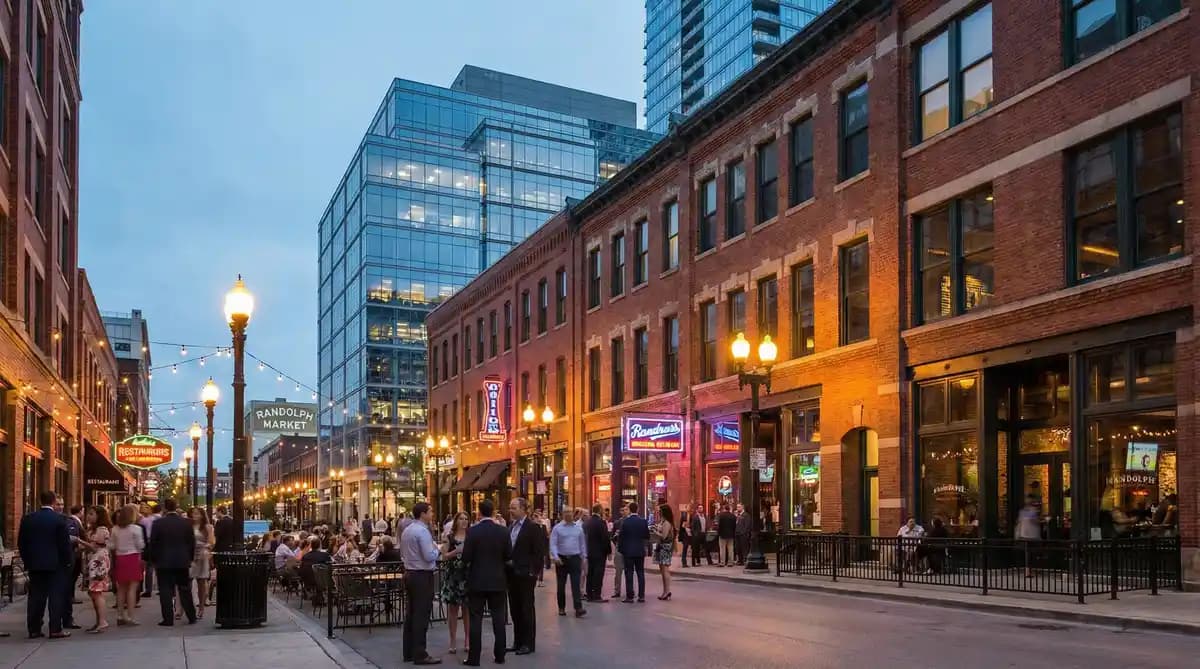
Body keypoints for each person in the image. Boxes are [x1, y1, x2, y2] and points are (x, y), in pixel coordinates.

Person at [462, 499, 510, 667]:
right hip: (498, 580)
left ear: (479, 512)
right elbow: (508, 556)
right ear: (493, 510)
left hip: (477, 581)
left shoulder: (473, 532)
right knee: (498, 617)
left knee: (476, 619)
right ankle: (500, 655)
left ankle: (474, 658)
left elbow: (466, 557)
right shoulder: (503, 532)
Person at [18, 491, 72, 639]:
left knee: (36, 597)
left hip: (35, 564)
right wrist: (67, 562)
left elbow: (21, 543)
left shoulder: (28, 519)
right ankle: (55, 628)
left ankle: (34, 628)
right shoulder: (59, 520)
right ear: (54, 501)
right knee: (56, 597)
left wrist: (27, 560)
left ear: (39, 500)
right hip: (56, 565)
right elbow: (64, 545)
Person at [399, 502, 445, 665]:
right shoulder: (422, 532)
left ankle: (409, 651)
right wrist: (438, 549)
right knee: (421, 615)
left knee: (411, 614)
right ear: (423, 513)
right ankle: (420, 653)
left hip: (410, 573)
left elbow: (403, 553)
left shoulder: (407, 530)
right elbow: (429, 555)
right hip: (422, 575)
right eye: (431, 511)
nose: (432, 514)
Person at [148, 498, 197, 626]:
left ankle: (168, 619)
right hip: (182, 560)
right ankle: (191, 616)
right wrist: (190, 558)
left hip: (163, 561)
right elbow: (191, 543)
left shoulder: (158, 523)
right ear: (177, 507)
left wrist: (153, 559)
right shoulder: (186, 523)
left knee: (165, 590)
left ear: (164, 508)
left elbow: (153, 543)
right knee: (184, 589)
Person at [507, 497, 544, 655]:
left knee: (526, 608)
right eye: (510, 507)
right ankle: (518, 641)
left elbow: (538, 552)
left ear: (523, 509)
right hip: (511, 573)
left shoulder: (533, 527)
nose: (511, 510)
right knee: (515, 608)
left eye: (514, 507)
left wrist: (533, 571)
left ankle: (528, 643)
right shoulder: (511, 527)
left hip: (525, 574)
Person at [440, 511, 470, 656]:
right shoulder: (449, 537)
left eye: (466, 519)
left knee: (467, 610)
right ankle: (452, 640)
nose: (464, 521)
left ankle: (467, 639)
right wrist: (455, 552)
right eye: (461, 519)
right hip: (453, 576)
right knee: (453, 610)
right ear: (456, 521)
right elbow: (444, 556)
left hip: (467, 576)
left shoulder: (471, 537)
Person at [111, 504, 146, 626]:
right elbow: (141, 545)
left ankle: (120, 615)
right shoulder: (136, 529)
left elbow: (112, 546)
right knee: (132, 588)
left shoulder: (115, 529)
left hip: (120, 558)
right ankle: (131, 616)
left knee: (121, 588)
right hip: (133, 557)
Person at [549, 507, 587, 618]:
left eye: (570, 512)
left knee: (576, 584)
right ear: (562, 514)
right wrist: (555, 556)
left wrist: (583, 557)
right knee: (561, 585)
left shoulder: (578, 528)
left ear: (573, 514)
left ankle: (578, 608)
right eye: (566, 512)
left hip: (575, 558)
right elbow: (553, 544)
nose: (568, 514)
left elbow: (582, 543)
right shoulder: (557, 528)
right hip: (562, 559)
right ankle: (561, 607)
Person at [617, 501, 649, 602]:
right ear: (638, 509)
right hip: (639, 550)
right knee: (640, 572)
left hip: (628, 551)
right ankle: (641, 595)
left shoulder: (626, 521)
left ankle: (630, 596)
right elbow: (647, 536)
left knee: (629, 573)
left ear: (630, 510)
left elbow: (621, 537)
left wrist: (621, 550)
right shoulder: (643, 521)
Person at [61, 504, 84, 632]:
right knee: (62, 592)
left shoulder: (66, 520)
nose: (59, 506)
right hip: (64, 562)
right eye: (57, 504)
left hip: (65, 561)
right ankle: (60, 623)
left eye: (61, 504)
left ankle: (37, 628)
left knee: (62, 592)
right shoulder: (68, 521)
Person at [582, 504, 610, 602]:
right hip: (600, 552)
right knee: (598, 573)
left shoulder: (587, 522)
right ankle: (597, 595)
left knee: (590, 573)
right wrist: (609, 551)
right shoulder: (601, 522)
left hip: (589, 551)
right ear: (599, 511)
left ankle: (589, 594)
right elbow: (605, 538)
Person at [190, 508, 214, 619]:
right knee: (187, 581)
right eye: (193, 513)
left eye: (197, 513)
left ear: (202, 515)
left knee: (201, 582)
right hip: (190, 555)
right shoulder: (189, 526)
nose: (194, 515)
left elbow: (211, 542)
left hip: (202, 555)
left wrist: (206, 548)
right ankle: (188, 607)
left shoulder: (207, 527)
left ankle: (201, 608)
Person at [652, 504, 675, 600]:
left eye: (660, 511)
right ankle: (665, 591)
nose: (659, 513)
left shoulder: (667, 523)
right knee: (662, 569)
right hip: (663, 547)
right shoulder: (664, 522)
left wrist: (655, 532)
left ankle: (667, 591)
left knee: (665, 570)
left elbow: (664, 536)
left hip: (665, 548)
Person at [1016, 494, 1042, 577]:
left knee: (1028, 553)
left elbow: (1019, 522)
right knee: (1032, 553)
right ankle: (1029, 571)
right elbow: (1035, 521)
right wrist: (1043, 520)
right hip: (1032, 535)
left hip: (1025, 535)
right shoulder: (1032, 511)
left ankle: (1028, 571)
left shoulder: (1023, 511)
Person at [139, 504, 160, 599]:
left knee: (149, 567)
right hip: (156, 543)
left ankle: (148, 589)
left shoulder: (144, 520)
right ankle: (159, 588)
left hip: (149, 544)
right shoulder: (158, 519)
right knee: (155, 567)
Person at [610, 505, 627, 600]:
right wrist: (616, 540)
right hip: (619, 548)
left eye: (625, 510)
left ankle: (630, 591)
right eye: (622, 510)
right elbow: (612, 536)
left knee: (629, 571)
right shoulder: (617, 523)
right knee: (618, 571)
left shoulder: (630, 522)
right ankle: (617, 590)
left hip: (628, 549)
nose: (624, 512)